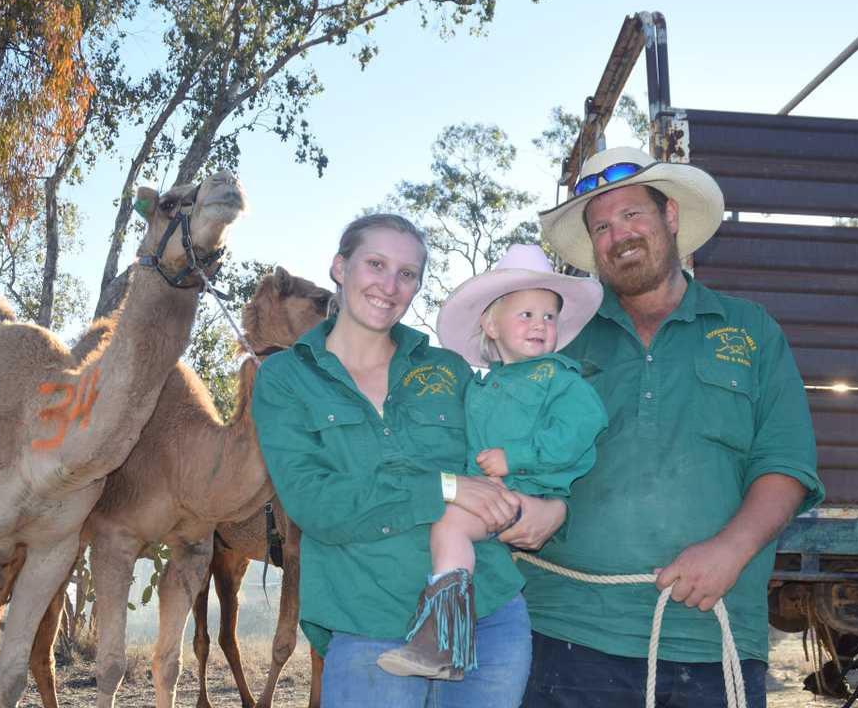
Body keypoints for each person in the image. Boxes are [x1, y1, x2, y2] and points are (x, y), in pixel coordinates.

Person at [514, 147, 826, 707]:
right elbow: (508, 451)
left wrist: (730, 551)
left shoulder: (750, 330)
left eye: (633, 215)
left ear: (671, 217)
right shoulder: (559, 339)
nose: (619, 235)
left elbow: (787, 463)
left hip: (712, 637)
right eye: (602, 226)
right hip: (564, 632)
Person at [251, 214, 534, 707]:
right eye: (376, 264)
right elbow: (315, 503)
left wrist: (543, 506)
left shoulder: (448, 371)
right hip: (368, 628)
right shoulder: (284, 380)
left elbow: (504, 470)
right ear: (340, 267)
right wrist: (445, 487)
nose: (390, 285)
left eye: (407, 273)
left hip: (487, 623)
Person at [376, 243, 609, 681]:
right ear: (491, 324)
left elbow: (581, 431)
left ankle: (443, 641)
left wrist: (515, 456)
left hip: (530, 490)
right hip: (491, 491)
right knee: (442, 522)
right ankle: (448, 631)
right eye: (526, 314)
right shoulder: (481, 387)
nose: (540, 325)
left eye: (549, 316)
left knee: (449, 525)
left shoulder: (559, 378)